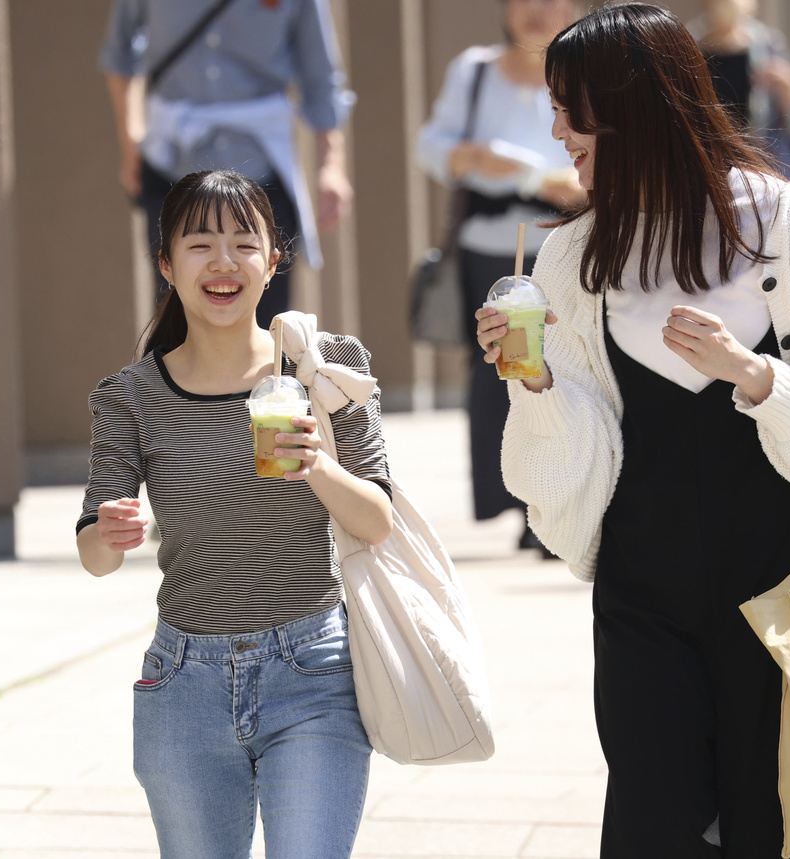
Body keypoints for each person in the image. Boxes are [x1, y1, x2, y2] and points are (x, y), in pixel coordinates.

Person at [475, 4, 790, 856]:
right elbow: (571, 465)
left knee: (776, 825)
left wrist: (759, 376)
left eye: (572, 106)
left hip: (788, 590)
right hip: (645, 597)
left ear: (635, 106)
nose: (556, 129)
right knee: (655, 822)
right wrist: (540, 378)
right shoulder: (570, 257)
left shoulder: (787, 225)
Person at [75, 170, 392, 859]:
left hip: (314, 673)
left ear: (273, 261)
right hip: (183, 683)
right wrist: (110, 530)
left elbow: (377, 521)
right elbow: (94, 554)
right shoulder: (129, 398)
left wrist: (318, 465)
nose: (224, 262)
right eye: (199, 243)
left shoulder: (327, 368)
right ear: (165, 263)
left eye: (245, 243)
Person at [416, 0, 585, 553]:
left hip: (562, 243)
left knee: (562, 362)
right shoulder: (474, 70)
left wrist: (543, 178)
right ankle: (520, 502)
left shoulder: (583, 68)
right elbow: (431, 147)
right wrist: (471, 158)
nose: (536, 10)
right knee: (498, 368)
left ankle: (557, 499)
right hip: (489, 248)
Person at [100, 0, 355, 325]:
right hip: (171, 166)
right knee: (175, 320)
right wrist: (129, 139)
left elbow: (321, 77)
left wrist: (331, 164)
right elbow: (119, 52)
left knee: (263, 321)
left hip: (262, 171)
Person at [687, 0, 790, 182]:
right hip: (709, 161)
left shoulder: (768, 44)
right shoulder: (691, 45)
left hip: (760, 160)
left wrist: (789, 85)